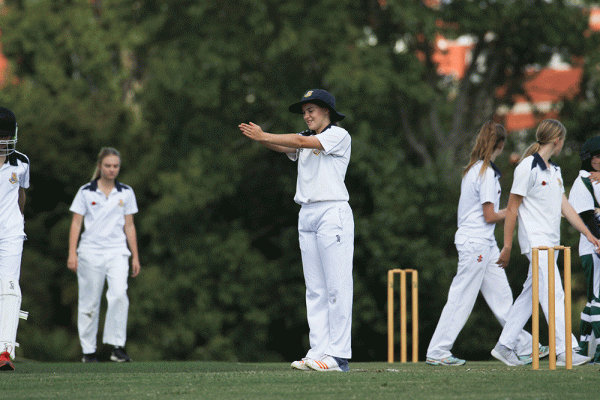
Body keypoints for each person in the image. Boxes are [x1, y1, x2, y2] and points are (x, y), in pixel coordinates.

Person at [239, 89, 353, 372]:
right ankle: (318, 352)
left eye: (311, 109)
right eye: (304, 111)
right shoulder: (305, 139)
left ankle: (338, 357)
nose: (307, 115)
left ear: (326, 110)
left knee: (337, 287)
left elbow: (299, 141)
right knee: (315, 289)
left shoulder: (338, 135)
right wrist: (262, 139)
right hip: (308, 213)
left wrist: (264, 135)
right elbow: (288, 146)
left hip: (332, 212)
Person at [426, 121, 545, 366]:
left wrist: (513, 212)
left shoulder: (476, 169)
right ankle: (438, 352)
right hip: (475, 243)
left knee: (502, 298)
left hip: (484, 242)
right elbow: (490, 216)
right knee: (461, 298)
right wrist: (515, 211)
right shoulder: (485, 173)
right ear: (500, 145)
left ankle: (523, 345)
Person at [492, 119, 599, 366]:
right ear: (556, 141)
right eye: (563, 141)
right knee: (555, 292)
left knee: (531, 294)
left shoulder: (555, 170)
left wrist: (589, 234)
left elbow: (566, 208)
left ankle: (504, 345)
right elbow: (511, 210)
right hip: (535, 241)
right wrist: (507, 246)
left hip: (551, 241)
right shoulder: (527, 167)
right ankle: (566, 350)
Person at [68, 147, 140, 363]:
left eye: (115, 166)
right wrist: (72, 253)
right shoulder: (86, 191)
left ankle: (117, 346)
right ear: (100, 166)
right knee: (89, 301)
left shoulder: (126, 192)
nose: (111, 170)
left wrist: (135, 256)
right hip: (90, 252)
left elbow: (129, 226)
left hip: (118, 251)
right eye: (108, 165)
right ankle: (88, 351)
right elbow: (76, 222)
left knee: (119, 295)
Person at [0, 107, 29, 371]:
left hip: (10, 232)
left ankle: (4, 351)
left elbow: (21, 195)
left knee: (10, 286)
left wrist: (19, 221)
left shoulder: (21, 162)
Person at [568, 136, 600, 363]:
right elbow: (588, 217)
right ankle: (597, 351)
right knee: (598, 299)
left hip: (593, 246)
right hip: (593, 247)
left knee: (592, 300)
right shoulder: (583, 182)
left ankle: (583, 349)